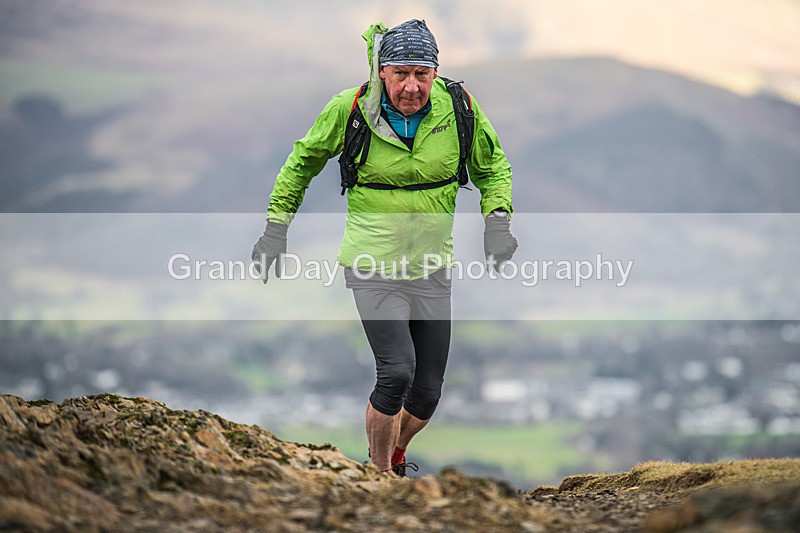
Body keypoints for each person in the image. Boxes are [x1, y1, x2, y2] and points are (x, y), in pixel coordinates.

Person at [252, 19, 517, 476]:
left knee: (428, 391)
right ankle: (378, 476)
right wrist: (277, 228)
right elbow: (302, 163)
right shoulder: (349, 109)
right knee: (396, 372)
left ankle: (395, 455)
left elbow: (492, 167)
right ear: (381, 72)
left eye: (422, 73)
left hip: (432, 266)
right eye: (400, 73)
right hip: (372, 263)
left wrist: (497, 220)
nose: (411, 86)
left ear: (435, 73)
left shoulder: (459, 109)